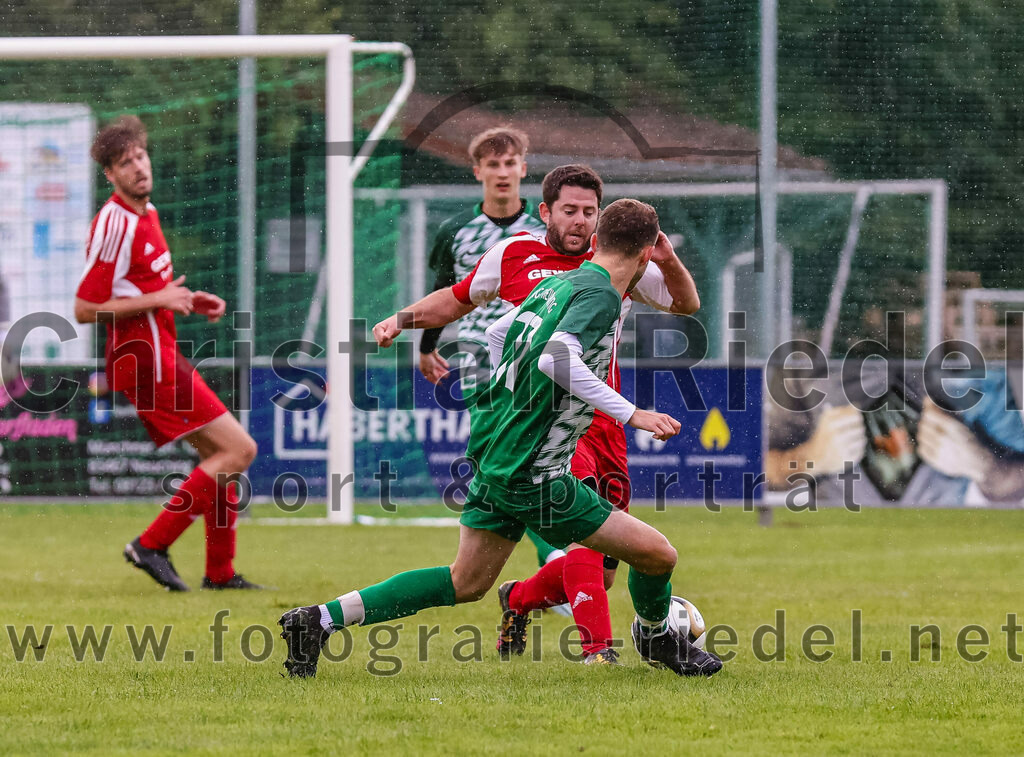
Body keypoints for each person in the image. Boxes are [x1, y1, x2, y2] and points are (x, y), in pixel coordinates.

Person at [279, 199, 723, 679]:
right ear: (643, 259)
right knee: (658, 555)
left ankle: (318, 620)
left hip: (500, 458)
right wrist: (632, 413)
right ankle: (659, 640)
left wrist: (513, 403)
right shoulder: (601, 296)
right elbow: (557, 359)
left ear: (596, 241)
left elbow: (496, 333)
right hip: (538, 475)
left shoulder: (558, 283)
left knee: (464, 581)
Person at [373, 164, 699, 664]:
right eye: (570, 210)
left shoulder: (616, 258)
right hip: (532, 422)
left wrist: (667, 257)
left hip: (598, 417)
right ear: (546, 211)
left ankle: (519, 597)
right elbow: (459, 301)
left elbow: (684, 303)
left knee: (606, 563)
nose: (581, 221)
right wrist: (403, 318)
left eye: (590, 211)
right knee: (586, 525)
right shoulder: (514, 252)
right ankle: (598, 652)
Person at [74, 115, 261, 592]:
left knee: (221, 456)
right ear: (110, 176)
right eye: (124, 163)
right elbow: (85, 308)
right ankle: (150, 544)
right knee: (240, 450)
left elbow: (145, 289)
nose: (137, 166)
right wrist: (159, 300)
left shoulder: (148, 213)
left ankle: (220, 573)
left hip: (159, 351)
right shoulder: (115, 222)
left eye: (140, 155)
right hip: (145, 359)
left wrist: (189, 299)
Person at [419, 126, 567, 577]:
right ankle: (552, 559)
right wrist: (426, 347)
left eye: (510, 164)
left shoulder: (547, 231)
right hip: (479, 359)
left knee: (510, 458)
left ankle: (544, 561)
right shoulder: (455, 231)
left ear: (523, 169)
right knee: (512, 457)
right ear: (478, 171)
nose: (502, 173)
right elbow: (444, 292)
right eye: (493, 164)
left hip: (536, 356)